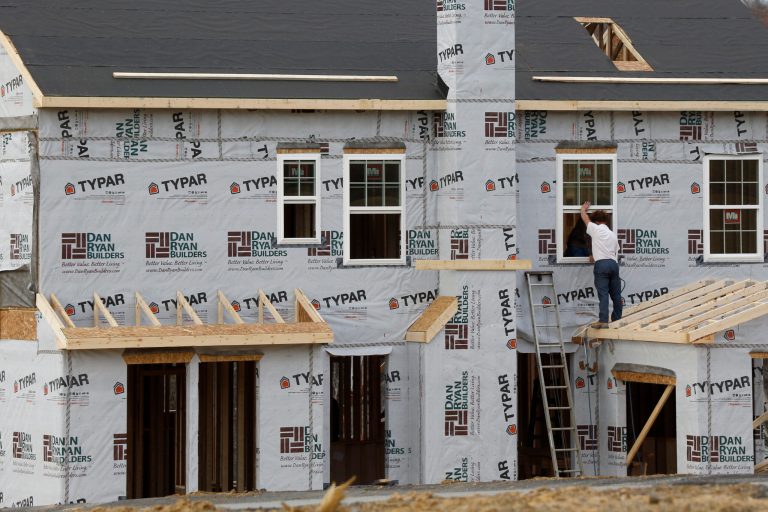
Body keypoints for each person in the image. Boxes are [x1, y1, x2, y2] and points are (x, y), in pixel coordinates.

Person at [580, 201, 622, 324]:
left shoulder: (596, 229)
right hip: (613, 264)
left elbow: (585, 219)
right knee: (616, 295)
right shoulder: (612, 234)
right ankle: (617, 320)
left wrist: (583, 209)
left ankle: (603, 321)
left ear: (596, 221)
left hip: (602, 265)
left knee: (603, 293)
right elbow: (615, 252)